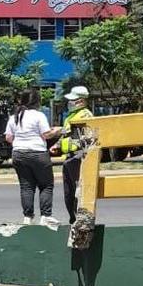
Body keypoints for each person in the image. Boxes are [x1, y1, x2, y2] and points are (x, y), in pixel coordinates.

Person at [5, 90, 61, 228]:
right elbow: (47, 135)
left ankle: (27, 217)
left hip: (18, 153)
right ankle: (45, 216)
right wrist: (59, 130)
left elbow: (8, 137)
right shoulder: (38, 115)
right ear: (37, 102)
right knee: (46, 185)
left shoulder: (14, 117)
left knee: (26, 187)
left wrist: (21, 142)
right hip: (37, 153)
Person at [50, 85, 94, 225]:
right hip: (69, 158)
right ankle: (73, 219)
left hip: (79, 157)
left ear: (81, 101)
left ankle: (81, 221)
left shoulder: (85, 115)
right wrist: (57, 145)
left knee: (78, 192)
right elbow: (66, 135)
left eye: (73, 100)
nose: (70, 103)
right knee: (68, 192)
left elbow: (84, 138)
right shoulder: (71, 116)